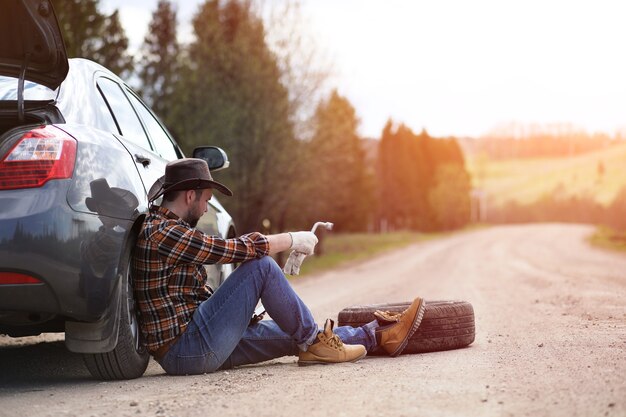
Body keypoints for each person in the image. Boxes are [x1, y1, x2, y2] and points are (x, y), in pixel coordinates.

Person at [133, 158, 425, 375]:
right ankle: (314, 341)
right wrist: (291, 240)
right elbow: (227, 250)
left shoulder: (167, 230)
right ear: (189, 195)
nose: (207, 208)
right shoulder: (161, 232)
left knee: (292, 334)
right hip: (187, 350)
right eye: (207, 200)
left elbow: (189, 299)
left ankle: (378, 335)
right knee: (261, 266)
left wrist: (241, 315)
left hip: (196, 341)